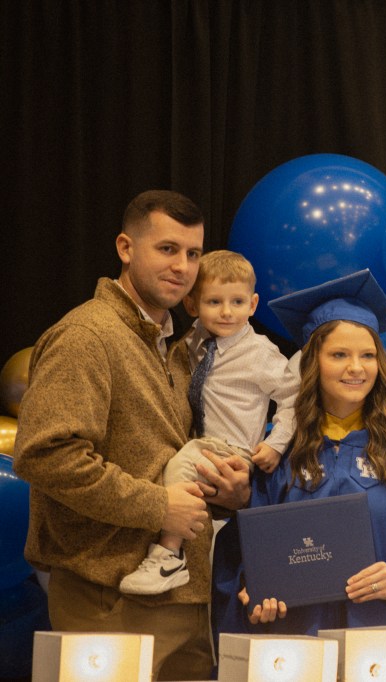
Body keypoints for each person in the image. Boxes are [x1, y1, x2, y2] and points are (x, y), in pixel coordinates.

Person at [13, 190, 252, 681]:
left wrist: (228, 494)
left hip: (186, 597)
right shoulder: (87, 335)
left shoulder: (179, 348)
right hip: (107, 596)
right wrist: (158, 506)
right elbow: (46, 455)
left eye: (193, 253)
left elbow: (170, 462)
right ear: (126, 248)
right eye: (167, 249)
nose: (182, 266)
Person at [211, 269, 386, 675]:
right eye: (339, 355)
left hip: (382, 643)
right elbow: (249, 547)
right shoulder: (280, 447)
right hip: (298, 646)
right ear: (312, 362)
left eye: (368, 356)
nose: (356, 368)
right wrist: (256, 593)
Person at [119, 249, 298, 596]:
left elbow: (294, 398)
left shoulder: (260, 353)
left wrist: (276, 444)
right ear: (192, 305)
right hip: (206, 445)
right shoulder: (194, 343)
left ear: (253, 304)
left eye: (237, 302)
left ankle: (169, 555)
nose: (227, 312)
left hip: (234, 451)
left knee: (182, 463)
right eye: (214, 302)